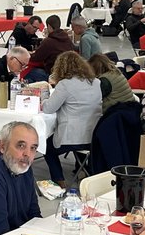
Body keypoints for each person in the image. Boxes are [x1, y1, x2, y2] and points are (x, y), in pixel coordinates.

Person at [42, 52, 102, 186]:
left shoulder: (65, 84)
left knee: (45, 148)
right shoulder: (96, 82)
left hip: (71, 138)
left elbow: (48, 108)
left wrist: (44, 97)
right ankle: (81, 171)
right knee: (79, 139)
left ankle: (59, 180)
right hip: (92, 136)